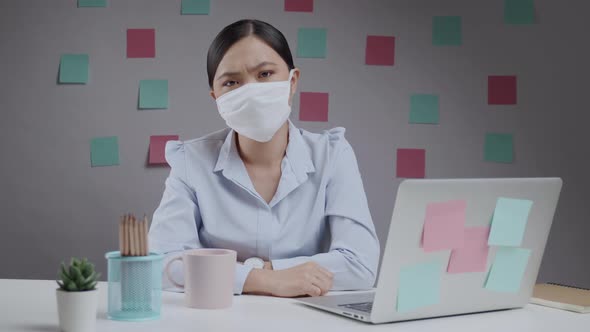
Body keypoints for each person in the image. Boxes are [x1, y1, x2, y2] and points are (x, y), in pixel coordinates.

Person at [149, 19, 380, 298]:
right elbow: (162, 264)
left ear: (292, 81)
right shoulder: (191, 161)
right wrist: (269, 280)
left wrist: (260, 271)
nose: (251, 91)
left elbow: (360, 264)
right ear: (216, 96)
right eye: (231, 82)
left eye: (265, 74)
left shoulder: (332, 154)